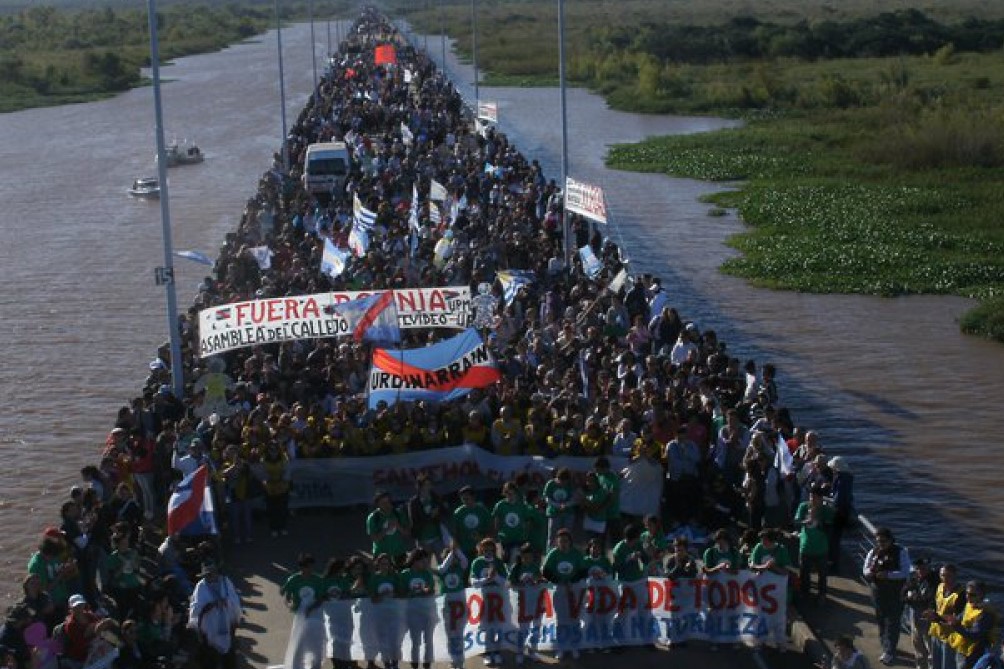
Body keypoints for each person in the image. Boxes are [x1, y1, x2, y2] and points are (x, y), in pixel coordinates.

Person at [863, 528, 912, 665]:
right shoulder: (873, 552)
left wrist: (888, 575)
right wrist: (870, 573)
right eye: (878, 541)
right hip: (878, 592)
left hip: (894, 593)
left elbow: (905, 572)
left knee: (893, 621)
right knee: (881, 619)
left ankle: (889, 651)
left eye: (884, 541)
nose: (881, 544)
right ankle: (886, 645)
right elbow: (865, 568)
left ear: (890, 539)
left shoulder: (900, 552)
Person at [188, 563, 242, 669]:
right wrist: (211, 605)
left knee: (229, 659)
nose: (209, 577)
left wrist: (227, 603)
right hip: (210, 629)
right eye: (206, 575)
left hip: (226, 626)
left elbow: (234, 601)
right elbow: (196, 609)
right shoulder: (201, 586)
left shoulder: (226, 582)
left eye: (211, 574)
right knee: (210, 660)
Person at [542, 529, 583, 660]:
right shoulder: (553, 554)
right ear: (557, 542)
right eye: (561, 541)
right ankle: (561, 647)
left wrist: (572, 581)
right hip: (559, 589)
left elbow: (583, 571)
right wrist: (558, 581)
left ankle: (574, 646)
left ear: (570, 542)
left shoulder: (576, 554)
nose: (564, 543)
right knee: (561, 619)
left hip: (574, 589)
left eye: (566, 541)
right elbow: (546, 571)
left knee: (575, 618)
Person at [281, 553, 327, 669]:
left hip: (315, 613)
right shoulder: (293, 579)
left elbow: (321, 597)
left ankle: (316, 665)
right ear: (301, 567)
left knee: (315, 640)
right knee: (299, 639)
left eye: (311, 567)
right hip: (300, 615)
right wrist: (289, 604)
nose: (309, 569)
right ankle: (297, 664)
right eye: (307, 567)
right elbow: (285, 595)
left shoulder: (318, 579)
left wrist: (311, 608)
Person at [795, 485, 835, 604]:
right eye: (811, 496)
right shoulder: (803, 506)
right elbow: (796, 521)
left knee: (822, 575)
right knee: (804, 573)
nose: (813, 500)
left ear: (821, 498)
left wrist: (819, 521)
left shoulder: (826, 510)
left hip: (821, 548)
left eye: (816, 497)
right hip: (805, 546)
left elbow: (831, 527)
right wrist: (804, 521)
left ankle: (822, 595)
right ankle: (804, 593)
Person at [945, 581, 998, 669]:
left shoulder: (985, 614)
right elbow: (958, 618)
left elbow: (975, 635)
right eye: (967, 593)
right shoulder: (969, 606)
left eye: (972, 595)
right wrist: (937, 618)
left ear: (981, 595)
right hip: (962, 650)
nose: (968, 597)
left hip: (974, 654)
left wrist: (956, 626)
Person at [399, 549, 437, 669]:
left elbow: (431, 591)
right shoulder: (405, 574)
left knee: (428, 641)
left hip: (427, 613)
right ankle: (414, 666)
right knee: (415, 642)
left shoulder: (427, 573)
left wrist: (428, 591)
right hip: (412, 613)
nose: (426, 563)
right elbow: (400, 594)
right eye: (423, 561)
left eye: (426, 561)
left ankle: (427, 666)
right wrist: (414, 592)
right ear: (415, 561)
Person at [902, 558, 939, 669]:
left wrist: (914, 598)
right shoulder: (915, 579)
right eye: (918, 569)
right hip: (914, 614)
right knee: (917, 643)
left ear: (929, 567)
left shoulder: (935, 581)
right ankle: (920, 667)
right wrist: (909, 598)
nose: (921, 571)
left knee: (930, 645)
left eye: (923, 568)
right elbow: (903, 593)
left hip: (927, 617)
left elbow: (931, 599)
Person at [926, 564, 964, 669]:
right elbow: (935, 603)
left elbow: (957, 618)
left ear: (955, 576)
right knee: (935, 663)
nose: (945, 579)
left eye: (948, 576)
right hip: (936, 632)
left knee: (947, 665)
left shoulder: (960, 594)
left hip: (950, 637)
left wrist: (937, 617)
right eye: (942, 575)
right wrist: (931, 611)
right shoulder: (940, 587)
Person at [367, 492, 411, 566]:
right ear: (377, 504)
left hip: (399, 553)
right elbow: (375, 539)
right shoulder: (373, 518)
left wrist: (398, 526)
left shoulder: (398, 513)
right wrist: (386, 529)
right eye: (383, 503)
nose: (386, 505)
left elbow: (407, 533)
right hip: (381, 555)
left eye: (388, 502)